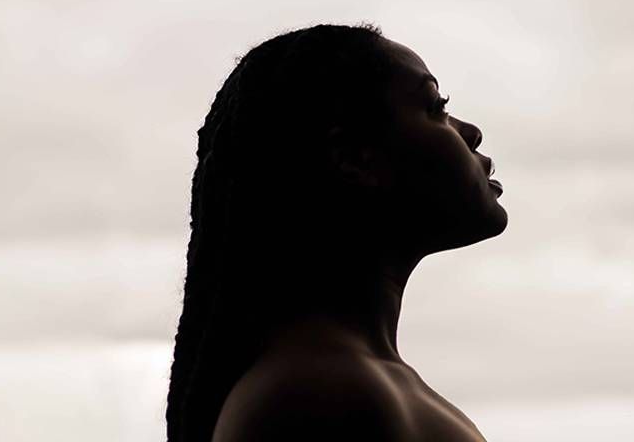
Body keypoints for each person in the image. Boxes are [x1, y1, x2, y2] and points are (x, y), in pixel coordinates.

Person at [166, 22, 508, 442]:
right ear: (355, 159)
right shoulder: (316, 395)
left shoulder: (344, 381)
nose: (470, 133)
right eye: (435, 106)